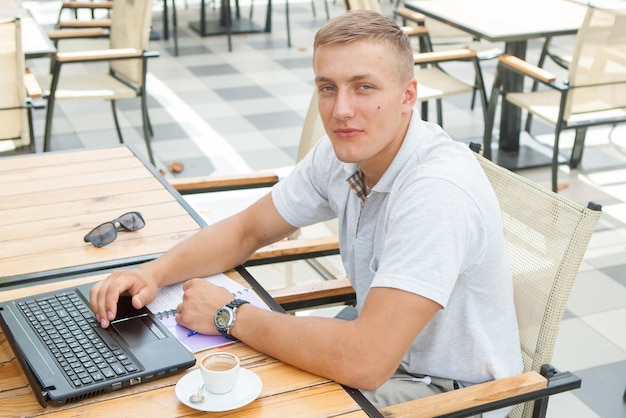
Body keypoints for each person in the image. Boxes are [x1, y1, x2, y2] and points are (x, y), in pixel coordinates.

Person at [90, 9, 522, 412]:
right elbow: (247, 231)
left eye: (364, 86)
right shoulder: (344, 153)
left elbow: (365, 360)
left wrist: (229, 316)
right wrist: (153, 274)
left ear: (408, 95)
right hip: (382, 351)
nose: (341, 110)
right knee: (208, 381)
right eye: (327, 87)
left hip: (451, 395)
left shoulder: (435, 192)